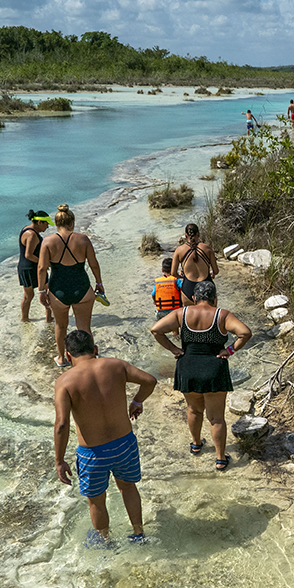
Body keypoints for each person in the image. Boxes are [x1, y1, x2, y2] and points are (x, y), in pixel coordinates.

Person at [53, 330, 157, 544]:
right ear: (95, 349)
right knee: (128, 487)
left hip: (92, 453)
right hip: (124, 443)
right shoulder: (116, 365)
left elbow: (62, 424)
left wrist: (59, 460)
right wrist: (137, 401)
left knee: (96, 501)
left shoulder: (65, 382)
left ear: (68, 356)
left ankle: (105, 541)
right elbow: (150, 380)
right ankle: (138, 533)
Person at [151, 281, 252, 471]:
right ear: (215, 298)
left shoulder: (182, 313)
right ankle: (220, 459)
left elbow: (156, 330)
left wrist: (174, 349)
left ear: (194, 298)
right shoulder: (222, 315)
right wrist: (229, 350)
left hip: (188, 367)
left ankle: (196, 444)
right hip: (214, 369)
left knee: (194, 410)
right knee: (216, 419)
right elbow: (245, 333)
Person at [37, 204, 105, 367]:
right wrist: (99, 283)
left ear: (56, 223)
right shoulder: (83, 239)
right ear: (72, 222)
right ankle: (89, 360)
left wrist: (41, 291)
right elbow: (94, 264)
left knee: (60, 326)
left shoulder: (48, 241)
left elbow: (41, 268)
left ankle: (61, 358)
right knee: (84, 328)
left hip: (58, 291)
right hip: (82, 289)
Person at [19, 209, 54, 323]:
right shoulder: (32, 235)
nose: (47, 227)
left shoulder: (25, 229)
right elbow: (28, 255)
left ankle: (24, 319)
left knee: (28, 296)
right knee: (48, 292)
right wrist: (44, 263)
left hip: (23, 268)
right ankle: (48, 318)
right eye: (46, 224)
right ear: (39, 222)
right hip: (32, 268)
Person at [170, 222, 219, 306]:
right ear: (198, 234)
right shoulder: (207, 248)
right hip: (206, 285)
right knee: (212, 313)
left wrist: (182, 276)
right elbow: (216, 271)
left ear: (186, 235)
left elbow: (173, 273)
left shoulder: (179, 250)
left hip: (188, 287)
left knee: (189, 314)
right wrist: (212, 273)